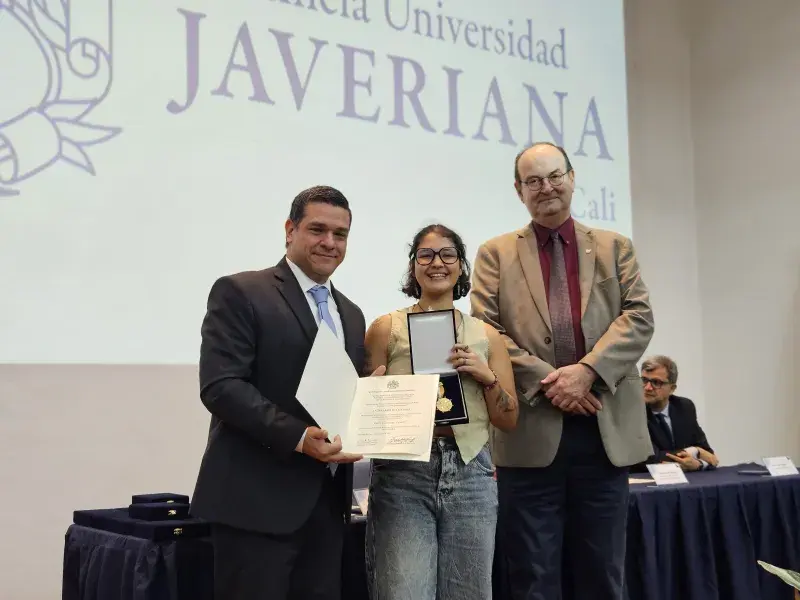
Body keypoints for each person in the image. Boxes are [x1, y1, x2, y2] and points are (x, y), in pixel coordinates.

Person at [470, 142, 655, 600]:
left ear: (572, 178)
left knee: (603, 576)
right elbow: (485, 332)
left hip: (604, 431)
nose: (546, 187)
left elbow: (638, 317)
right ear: (519, 190)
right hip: (530, 435)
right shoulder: (494, 254)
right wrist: (553, 382)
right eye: (533, 181)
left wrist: (587, 372)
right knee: (533, 579)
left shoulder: (615, 246)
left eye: (554, 176)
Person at [190, 185, 381, 600]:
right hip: (254, 506)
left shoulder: (351, 314)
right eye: (317, 229)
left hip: (327, 509)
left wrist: (372, 398)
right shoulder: (241, 291)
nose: (329, 242)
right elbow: (221, 386)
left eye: (340, 234)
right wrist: (299, 437)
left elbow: (337, 397)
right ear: (290, 230)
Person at [363, 224, 519, 600]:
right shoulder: (385, 328)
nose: (437, 263)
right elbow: (366, 413)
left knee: (469, 593)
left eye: (448, 254)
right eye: (426, 255)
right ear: (413, 266)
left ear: (461, 266)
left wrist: (487, 377)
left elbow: (509, 419)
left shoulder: (487, 336)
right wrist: (375, 396)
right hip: (403, 475)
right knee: (403, 592)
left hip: (471, 473)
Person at [636, 355, 718, 471]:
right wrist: (695, 451)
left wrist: (698, 464)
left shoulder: (684, 407)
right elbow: (651, 459)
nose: (647, 388)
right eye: (644, 380)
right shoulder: (632, 412)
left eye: (656, 382)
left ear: (672, 388)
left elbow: (709, 455)